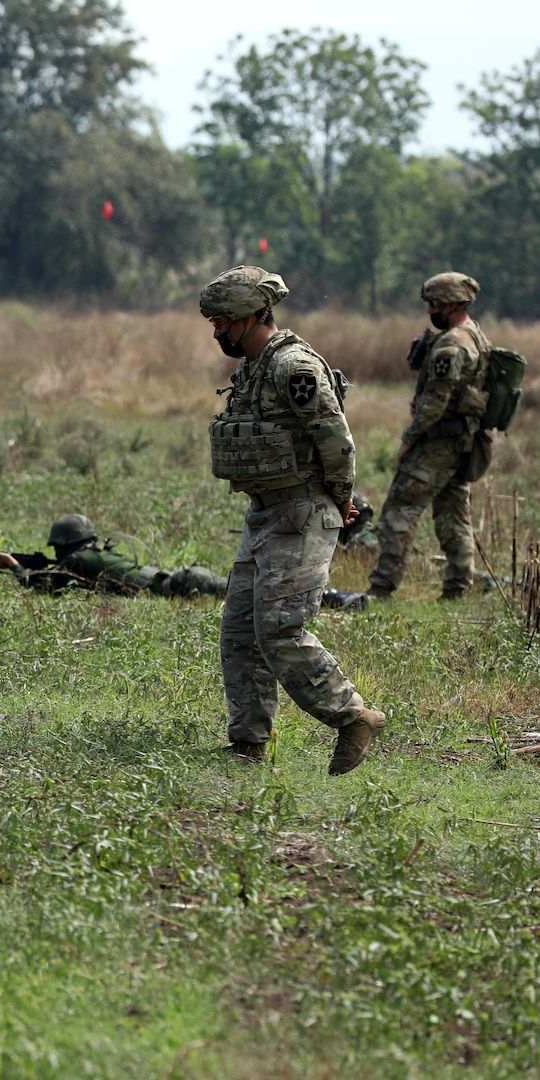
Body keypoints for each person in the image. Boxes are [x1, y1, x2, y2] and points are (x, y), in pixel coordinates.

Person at [201, 265, 386, 775]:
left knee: (281, 629)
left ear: (250, 316)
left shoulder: (294, 367)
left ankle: (353, 717)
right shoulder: (252, 369)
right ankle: (248, 743)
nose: (216, 332)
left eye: (222, 322)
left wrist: (342, 500)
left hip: (302, 513)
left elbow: (336, 440)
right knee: (239, 631)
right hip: (264, 515)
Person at [368, 272, 494, 601]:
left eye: (435, 304)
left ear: (453, 303)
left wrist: (409, 438)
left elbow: (436, 402)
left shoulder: (452, 345)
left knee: (400, 508)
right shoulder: (476, 336)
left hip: (437, 442)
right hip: (460, 442)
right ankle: (456, 589)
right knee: (454, 514)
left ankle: (381, 588)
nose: (430, 312)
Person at [0, 514, 368, 610]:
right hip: (181, 580)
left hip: (181, 585)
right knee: (260, 593)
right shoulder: (89, 554)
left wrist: (13, 564)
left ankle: (337, 598)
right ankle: (336, 598)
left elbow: (43, 584)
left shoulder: (78, 560)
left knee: (267, 594)